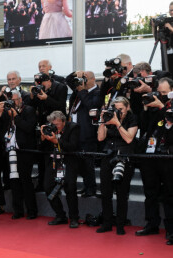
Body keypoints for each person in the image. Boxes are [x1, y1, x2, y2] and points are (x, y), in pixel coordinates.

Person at [136, 77, 173, 245]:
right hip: (150, 155)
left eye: (164, 93)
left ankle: (171, 230)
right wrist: (145, 108)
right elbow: (145, 127)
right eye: (160, 92)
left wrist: (161, 106)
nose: (161, 95)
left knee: (169, 195)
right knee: (150, 192)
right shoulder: (152, 106)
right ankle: (151, 224)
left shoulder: (168, 107)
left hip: (167, 157)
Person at [96, 96, 138, 235]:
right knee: (105, 192)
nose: (119, 111)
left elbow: (128, 138)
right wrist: (103, 121)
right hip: (108, 156)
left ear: (127, 107)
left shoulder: (132, 119)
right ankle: (107, 223)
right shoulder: (110, 117)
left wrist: (117, 123)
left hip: (125, 157)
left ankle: (120, 225)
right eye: (116, 109)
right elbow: (101, 138)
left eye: (121, 109)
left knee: (121, 193)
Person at [0, 90, 38, 219]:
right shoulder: (6, 112)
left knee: (26, 181)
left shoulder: (29, 110)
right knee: (14, 182)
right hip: (10, 150)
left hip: (24, 150)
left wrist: (16, 116)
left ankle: (32, 211)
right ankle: (18, 210)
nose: (12, 103)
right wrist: (0, 113)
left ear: (20, 100)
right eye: (10, 101)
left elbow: (28, 128)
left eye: (14, 100)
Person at [40, 111, 80, 228]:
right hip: (53, 163)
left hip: (68, 162)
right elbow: (41, 149)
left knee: (70, 189)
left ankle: (74, 218)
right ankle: (60, 215)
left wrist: (57, 141)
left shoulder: (73, 127)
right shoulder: (48, 129)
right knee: (48, 187)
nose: (55, 127)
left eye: (57, 124)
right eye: (53, 124)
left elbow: (72, 146)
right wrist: (43, 137)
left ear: (64, 122)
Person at [66, 70, 101, 197]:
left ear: (92, 79)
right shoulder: (78, 91)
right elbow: (68, 80)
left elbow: (91, 105)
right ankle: (86, 186)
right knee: (79, 163)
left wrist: (82, 91)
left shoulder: (97, 93)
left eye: (85, 78)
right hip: (74, 133)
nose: (82, 82)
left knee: (88, 163)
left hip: (87, 133)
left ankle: (91, 188)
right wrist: (76, 74)